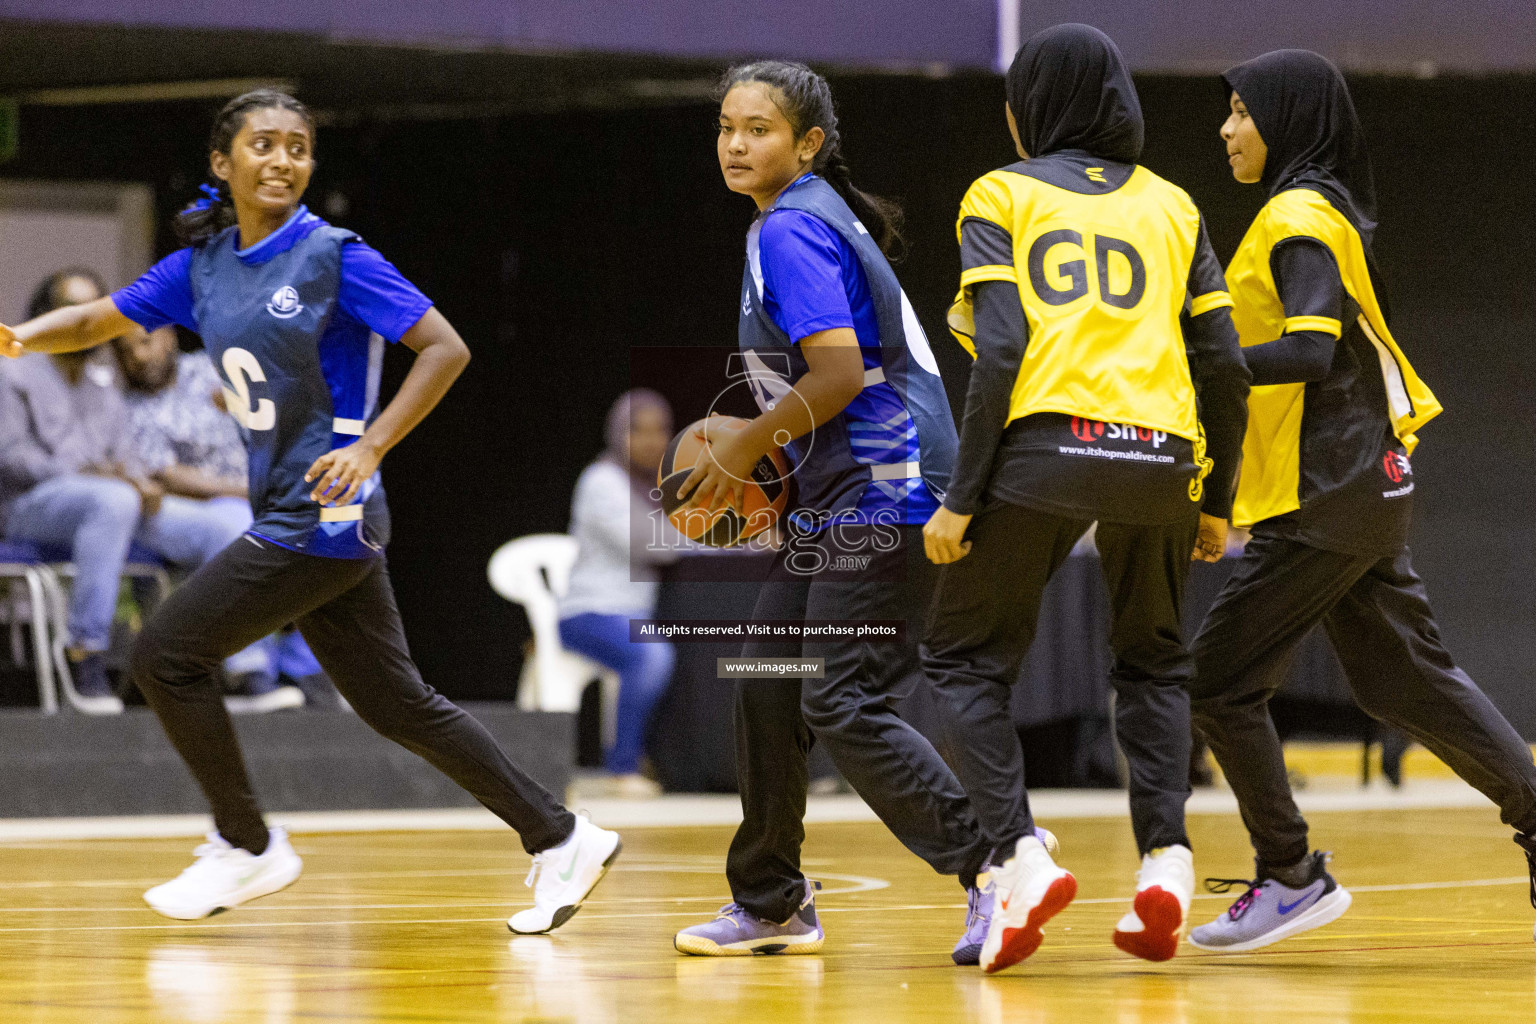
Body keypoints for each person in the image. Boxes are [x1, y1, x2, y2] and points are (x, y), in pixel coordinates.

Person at [0, 89, 620, 932]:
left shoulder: (333, 255)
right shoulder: (202, 268)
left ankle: (248, 842)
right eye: (263, 144)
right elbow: (100, 317)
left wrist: (370, 448)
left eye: (298, 147)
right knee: (397, 704)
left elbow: (445, 348)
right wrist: (23, 337)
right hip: (291, 509)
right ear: (224, 164)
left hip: (326, 514)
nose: (283, 160)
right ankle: (561, 834)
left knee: (163, 656)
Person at [671, 60, 1049, 964]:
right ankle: (771, 900)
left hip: (887, 484)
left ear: (807, 144)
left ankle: (997, 864)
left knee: (839, 695)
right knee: (767, 674)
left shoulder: (794, 229)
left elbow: (839, 376)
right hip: (856, 485)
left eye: (757, 129)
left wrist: (748, 443)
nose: (735, 143)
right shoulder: (801, 221)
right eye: (726, 126)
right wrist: (768, 444)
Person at [1186, 49, 1536, 952]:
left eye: (1240, 112)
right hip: (1360, 481)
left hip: (1330, 488)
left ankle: (1291, 873)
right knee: (1402, 682)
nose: (1226, 129)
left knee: (1219, 683)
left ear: (1289, 119)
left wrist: (1188, 362)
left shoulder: (1297, 216)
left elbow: (1306, 353)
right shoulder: (1318, 208)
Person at [919, 24, 1251, 973]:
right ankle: (1167, 866)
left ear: (1031, 109)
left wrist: (960, 498)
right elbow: (1223, 365)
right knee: (1152, 664)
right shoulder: (1174, 205)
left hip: (1045, 448)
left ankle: (1020, 856)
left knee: (961, 659)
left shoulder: (1001, 192)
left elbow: (1003, 358)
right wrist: (1217, 497)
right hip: (1164, 458)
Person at [0, 269, 222, 714]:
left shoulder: (103, 382)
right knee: (112, 500)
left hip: (108, 507)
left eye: (91, 310)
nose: (84, 319)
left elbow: (125, 455)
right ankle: (85, 652)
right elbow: (11, 456)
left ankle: (203, 666)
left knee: (219, 526)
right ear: (45, 316)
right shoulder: (13, 371)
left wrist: (139, 479)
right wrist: (91, 474)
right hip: (29, 506)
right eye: (72, 309)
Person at [115, 324, 308, 712]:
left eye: (144, 343)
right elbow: (166, 474)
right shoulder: (126, 403)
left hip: (254, 492)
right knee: (240, 527)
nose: (137, 358)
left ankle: (307, 670)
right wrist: (245, 491)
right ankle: (248, 673)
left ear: (168, 336)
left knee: (320, 531)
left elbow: (275, 403)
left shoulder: (208, 369)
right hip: (185, 507)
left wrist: (246, 403)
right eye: (125, 351)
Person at [557, 389, 678, 797]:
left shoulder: (660, 485)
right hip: (588, 614)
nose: (651, 441)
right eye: (638, 431)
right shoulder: (602, 481)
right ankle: (622, 766)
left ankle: (670, 760)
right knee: (651, 654)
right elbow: (647, 543)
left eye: (660, 431)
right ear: (617, 434)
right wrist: (715, 532)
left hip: (637, 615)